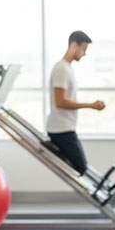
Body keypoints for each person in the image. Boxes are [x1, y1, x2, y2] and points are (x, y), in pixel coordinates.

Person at [45, 30, 104, 175]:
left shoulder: (67, 68)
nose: (84, 54)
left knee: (82, 167)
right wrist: (91, 105)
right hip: (61, 130)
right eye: (83, 49)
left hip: (66, 127)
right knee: (81, 167)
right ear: (73, 45)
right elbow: (60, 102)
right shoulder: (61, 69)